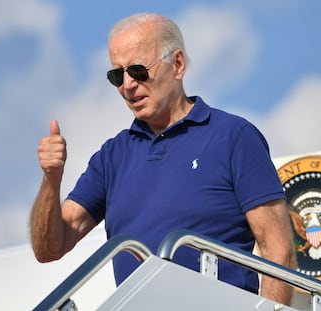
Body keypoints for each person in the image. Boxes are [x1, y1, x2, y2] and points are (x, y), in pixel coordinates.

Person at [30, 12, 296, 305]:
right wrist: (51, 180)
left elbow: (278, 250)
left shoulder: (234, 137)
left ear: (177, 65)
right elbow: (49, 248)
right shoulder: (112, 156)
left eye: (139, 71)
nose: (128, 85)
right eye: (117, 75)